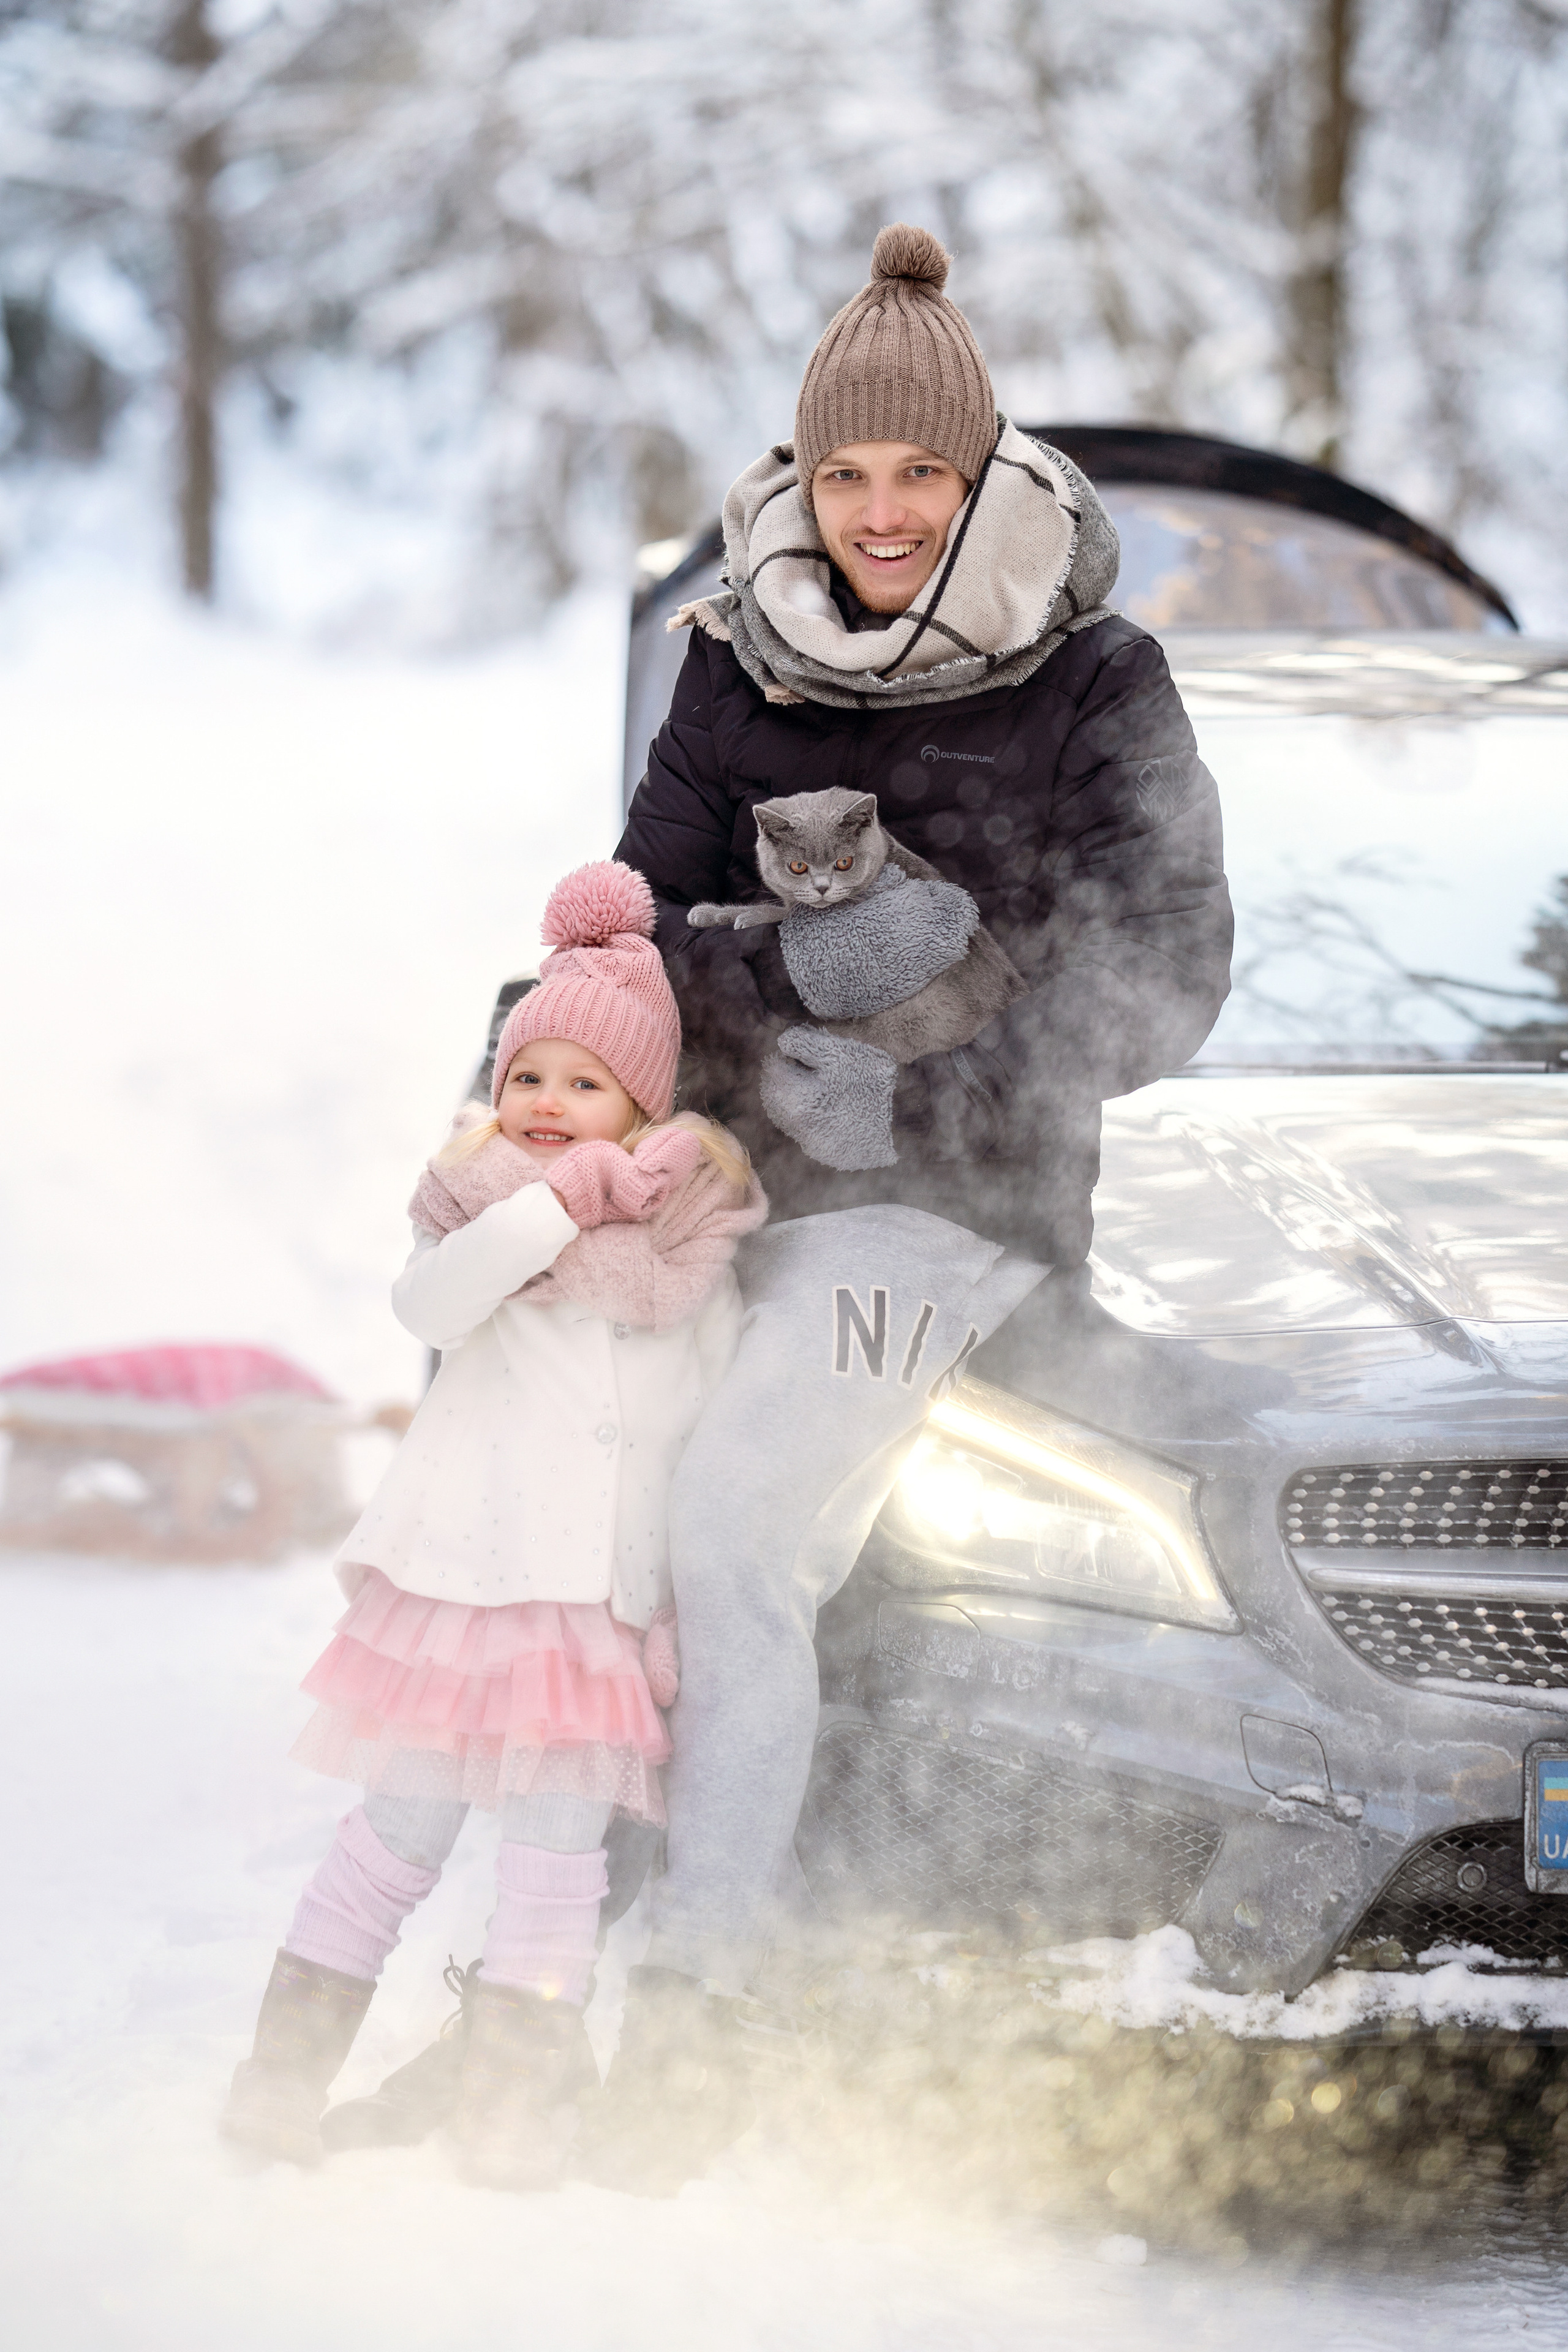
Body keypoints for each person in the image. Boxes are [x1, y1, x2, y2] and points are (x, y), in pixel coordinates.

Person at [592, 222, 1234, 2188]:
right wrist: (679, 1071)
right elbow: (632, 925)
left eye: (919, 475)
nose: (879, 512)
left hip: (945, 1206)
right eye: (844, 473)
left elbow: (1165, 969)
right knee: (543, 1475)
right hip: (715, 1162)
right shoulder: (730, 653)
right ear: (803, 478)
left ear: (980, 477)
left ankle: (707, 1990)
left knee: (729, 1531)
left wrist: (910, 1093)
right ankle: (527, 1930)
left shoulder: (1100, 674)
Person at [219, 860, 764, 2188]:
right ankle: (276, 2086)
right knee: (395, 1837)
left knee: (554, 1863)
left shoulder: (689, 1246)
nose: (547, 1105)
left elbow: (694, 1438)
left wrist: (673, 1614)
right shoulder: (474, 1204)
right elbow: (427, 1312)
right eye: (529, 1078)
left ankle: (509, 2112)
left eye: (585, 1085)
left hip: (591, 1614)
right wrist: (555, 1203)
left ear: (644, 1101)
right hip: (459, 1595)